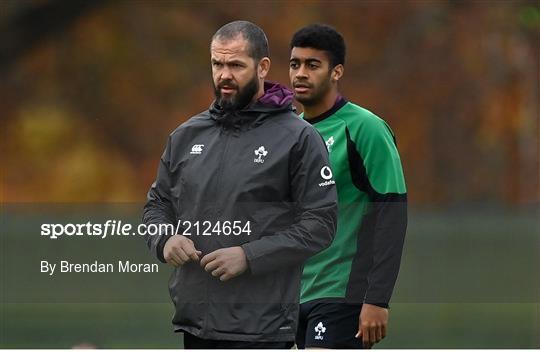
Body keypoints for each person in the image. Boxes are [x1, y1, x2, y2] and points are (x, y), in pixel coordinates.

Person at [143, 20, 337, 349]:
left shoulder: (299, 138)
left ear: (262, 67)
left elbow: (320, 223)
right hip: (195, 324)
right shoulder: (187, 135)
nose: (224, 75)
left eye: (235, 65)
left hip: (262, 328)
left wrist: (249, 256)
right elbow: (157, 204)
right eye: (217, 64)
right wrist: (164, 240)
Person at [289, 24, 408, 349]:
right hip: (291, 297)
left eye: (312, 65)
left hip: (343, 294)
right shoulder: (288, 133)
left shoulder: (365, 129)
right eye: (295, 63)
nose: (300, 73)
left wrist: (377, 299)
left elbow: (392, 215)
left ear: (336, 71)